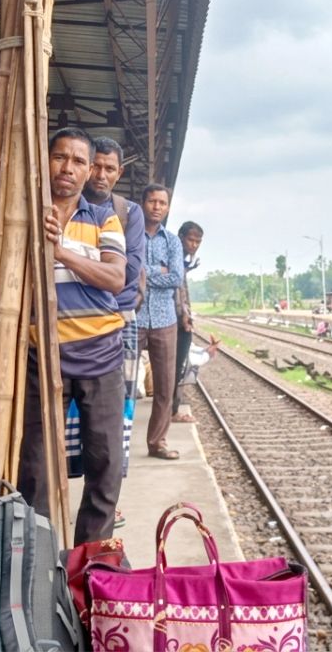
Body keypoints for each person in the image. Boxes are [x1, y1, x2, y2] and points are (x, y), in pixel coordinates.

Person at [19, 127, 127, 544]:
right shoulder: (23, 214)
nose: (68, 168)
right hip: (41, 352)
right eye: (60, 157)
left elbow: (115, 278)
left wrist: (59, 250)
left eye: (79, 161)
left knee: (105, 459)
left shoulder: (103, 218)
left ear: (88, 172)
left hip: (101, 352)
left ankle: (89, 552)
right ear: (45, 162)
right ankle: (41, 550)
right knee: (37, 462)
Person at [82, 137, 145, 528]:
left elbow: (127, 273)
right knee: (72, 424)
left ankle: (109, 501)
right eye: (97, 166)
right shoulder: (68, 205)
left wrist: (86, 273)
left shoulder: (127, 212)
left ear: (119, 172)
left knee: (115, 425)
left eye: (110, 168)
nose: (101, 175)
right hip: (71, 327)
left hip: (119, 325)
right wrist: (100, 270)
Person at [136, 184, 185, 459]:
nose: (157, 207)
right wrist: (157, 271)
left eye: (162, 203)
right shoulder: (131, 235)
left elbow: (176, 277)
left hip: (165, 319)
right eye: (152, 201)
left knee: (165, 386)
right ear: (143, 203)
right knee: (122, 383)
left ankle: (157, 442)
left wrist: (146, 272)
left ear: (167, 207)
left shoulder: (173, 241)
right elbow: (131, 273)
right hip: (135, 316)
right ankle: (117, 442)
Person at [173, 221, 204, 414]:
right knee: (175, 368)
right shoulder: (175, 254)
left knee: (176, 367)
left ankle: (172, 409)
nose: (193, 245)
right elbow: (179, 291)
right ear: (181, 237)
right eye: (190, 240)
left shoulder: (182, 258)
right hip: (172, 319)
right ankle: (172, 410)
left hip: (177, 317)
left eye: (197, 242)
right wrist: (185, 316)